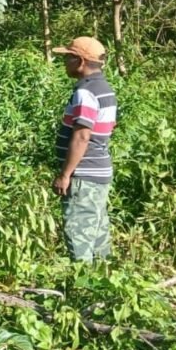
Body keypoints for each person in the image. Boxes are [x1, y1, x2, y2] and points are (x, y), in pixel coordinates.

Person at [52, 36, 117, 262]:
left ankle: (83, 291)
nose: (64, 62)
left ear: (80, 61)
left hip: (84, 175)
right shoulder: (105, 89)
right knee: (97, 233)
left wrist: (65, 174)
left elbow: (82, 136)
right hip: (99, 172)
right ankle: (104, 284)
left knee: (79, 234)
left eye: (68, 57)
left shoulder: (86, 92)